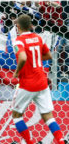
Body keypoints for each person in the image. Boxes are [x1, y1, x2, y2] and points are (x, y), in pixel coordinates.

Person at [12, 14, 65, 144]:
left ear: (17, 26)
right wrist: (35, 59)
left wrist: (17, 72)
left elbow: (23, 58)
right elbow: (48, 55)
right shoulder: (38, 38)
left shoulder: (18, 41)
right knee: (48, 116)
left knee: (16, 116)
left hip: (28, 84)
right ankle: (61, 141)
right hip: (42, 82)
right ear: (31, 25)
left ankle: (29, 142)